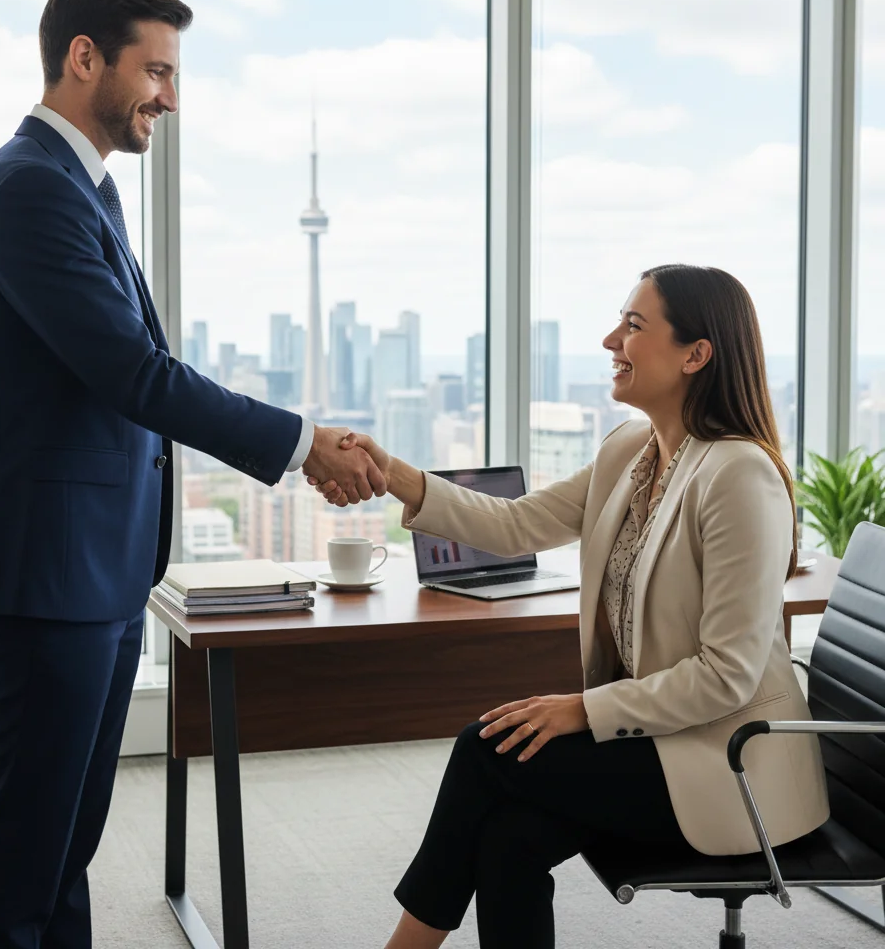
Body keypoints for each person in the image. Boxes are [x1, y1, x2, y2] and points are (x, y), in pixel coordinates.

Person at [0, 0, 385, 949]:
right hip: (48, 569)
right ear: (84, 58)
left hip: (91, 567)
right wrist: (305, 443)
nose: (170, 99)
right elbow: (137, 376)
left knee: (65, 845)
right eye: (157, 70)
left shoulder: (76, 187)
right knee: (25, 851)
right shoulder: (28, 190)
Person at [311, 264, 830, 949]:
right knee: (507, 837)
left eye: (635, 326)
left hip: (727, 761)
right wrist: (391, 472)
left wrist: (580, 709)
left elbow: (727, 676)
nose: (612, 337)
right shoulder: (631, 452)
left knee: (484, 749)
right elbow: (516, 525)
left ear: (696, 355)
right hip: (661, 740)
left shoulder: (738, 475)